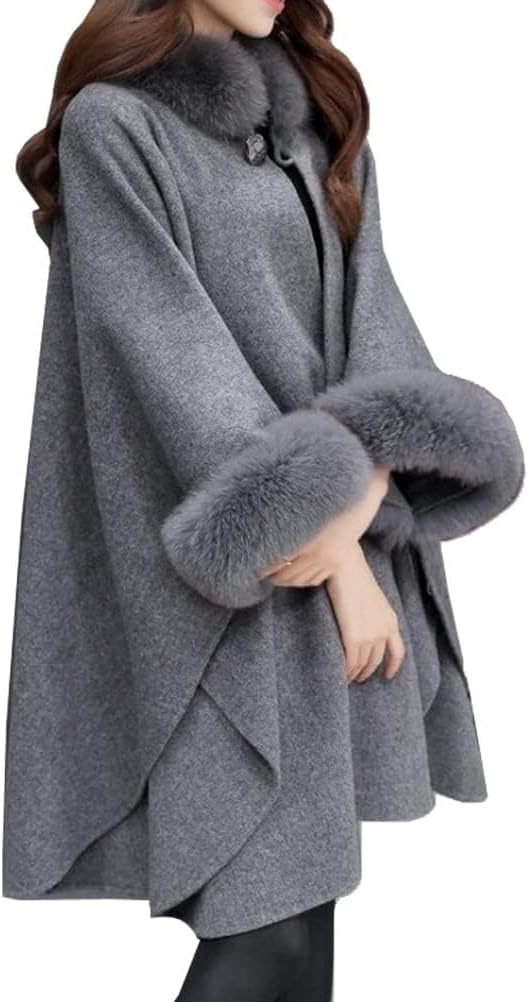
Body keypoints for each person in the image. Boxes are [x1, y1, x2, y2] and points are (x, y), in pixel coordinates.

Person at [3, 1, 524, 1000]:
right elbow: (169, 360)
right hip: (219, 591)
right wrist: (338, 556)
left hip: (326, 551)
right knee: (268, 937)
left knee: (305, 936)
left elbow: (372, 320)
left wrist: (368, 491)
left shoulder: (313, 117)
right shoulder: (116, 125)